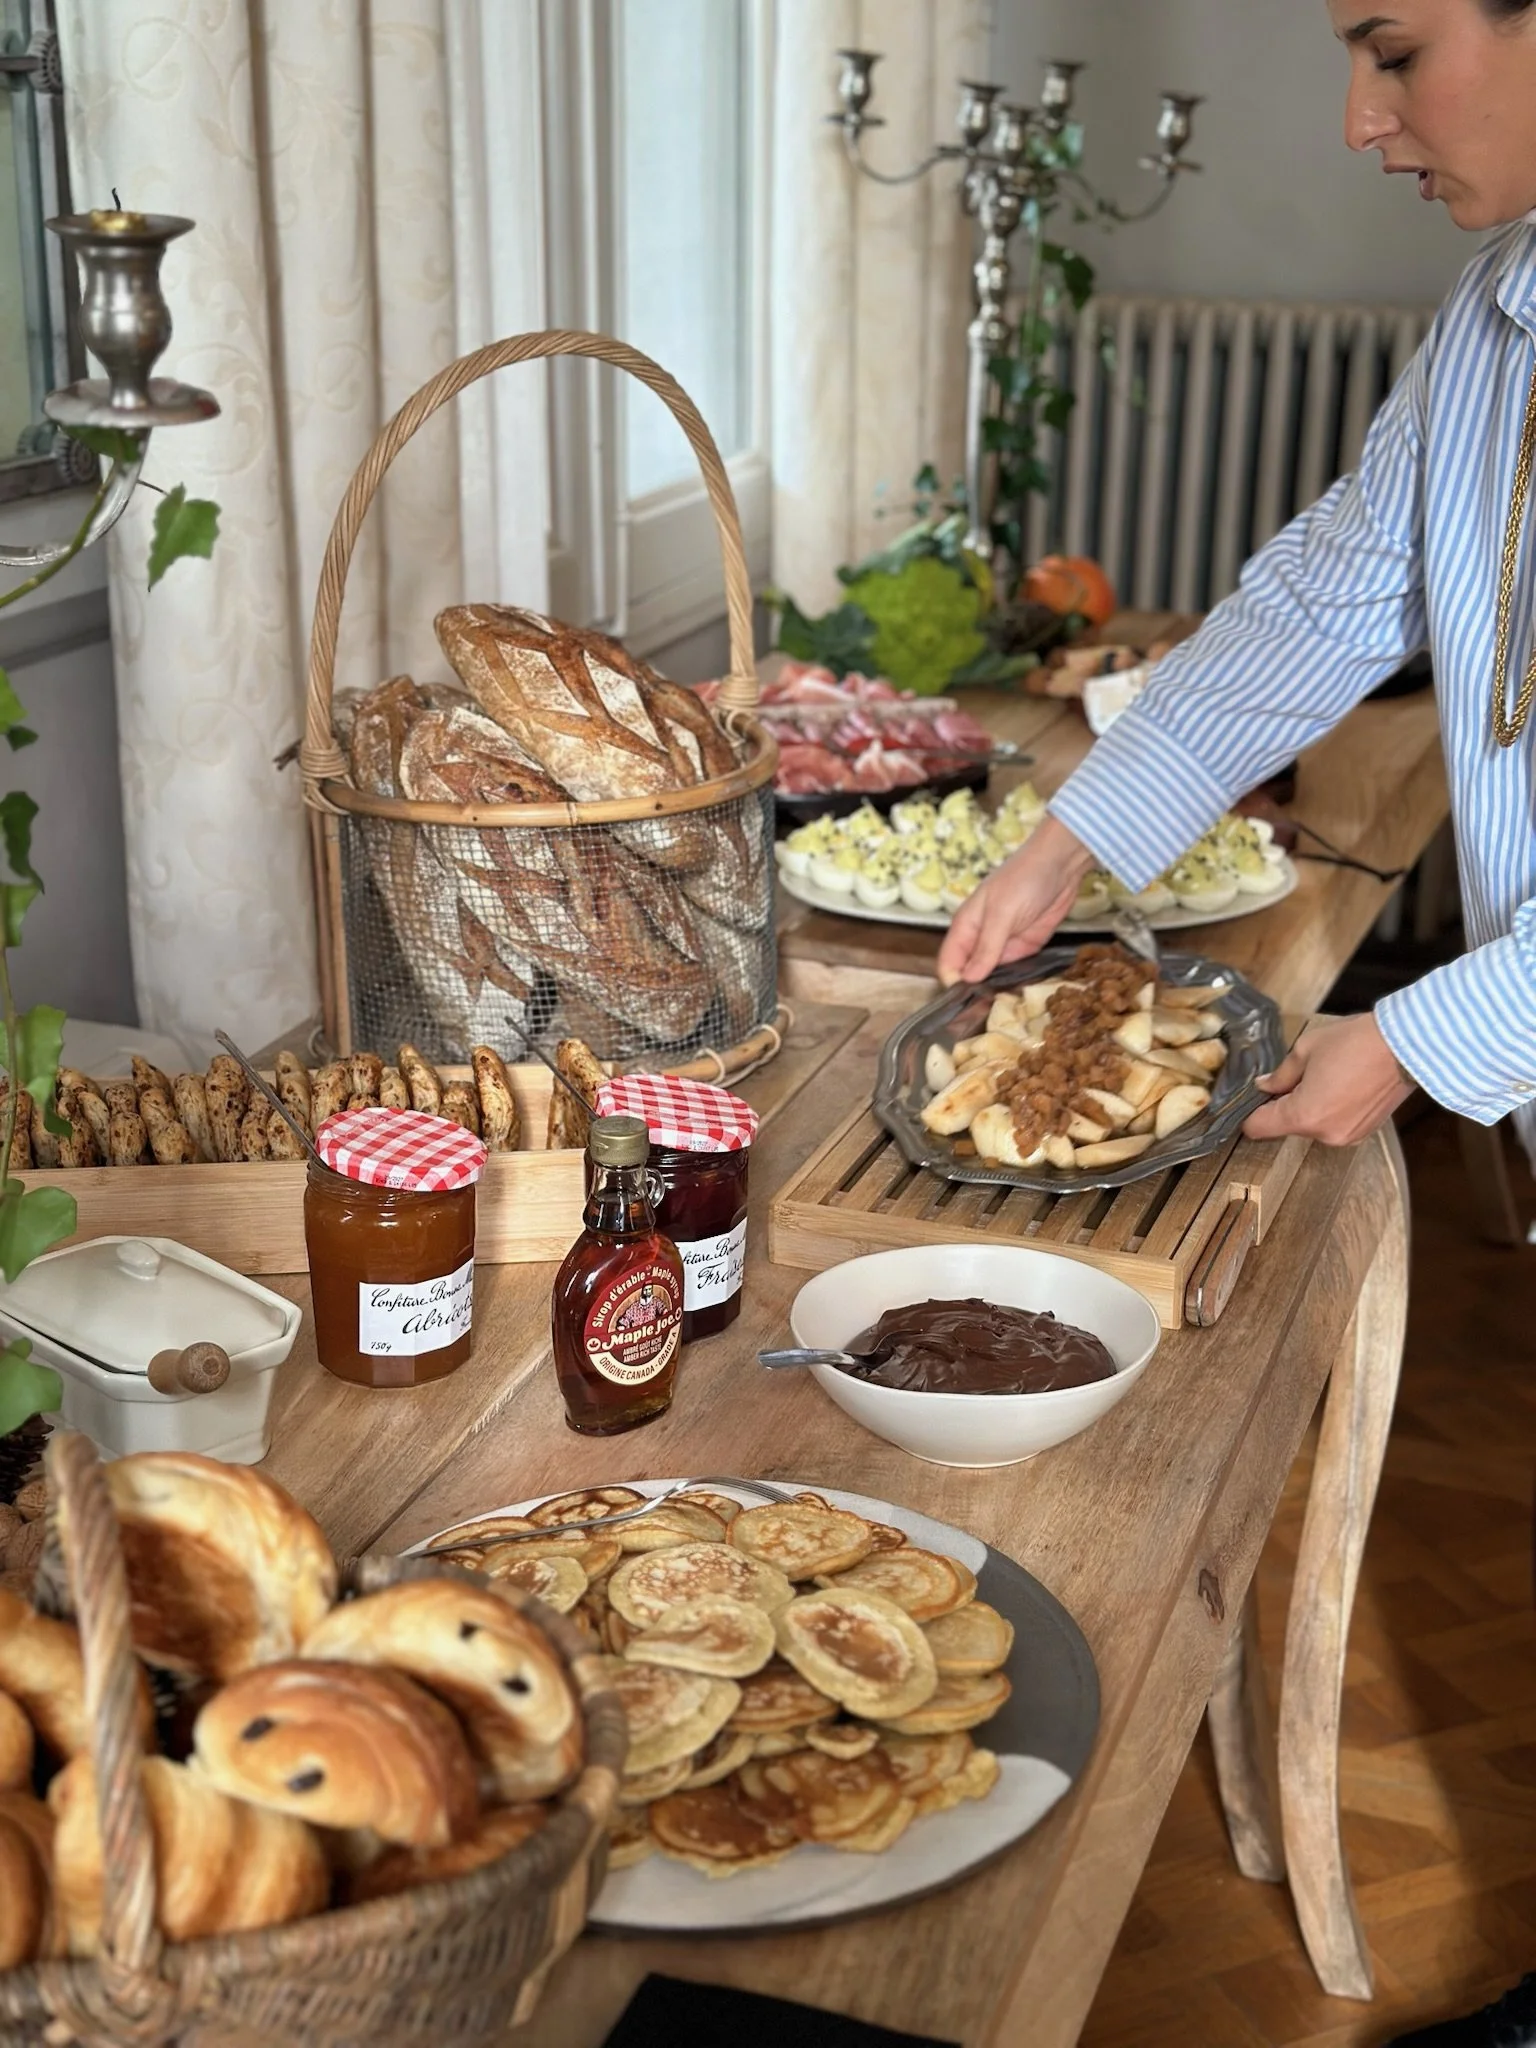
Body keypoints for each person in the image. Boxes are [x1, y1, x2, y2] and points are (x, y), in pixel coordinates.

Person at [938, 5, 1536, 2041]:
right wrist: (1073, 836)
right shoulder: (1493, 315)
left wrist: (1427, 1035)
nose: (1363, 123)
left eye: (1399, 48)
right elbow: (1323, 596)